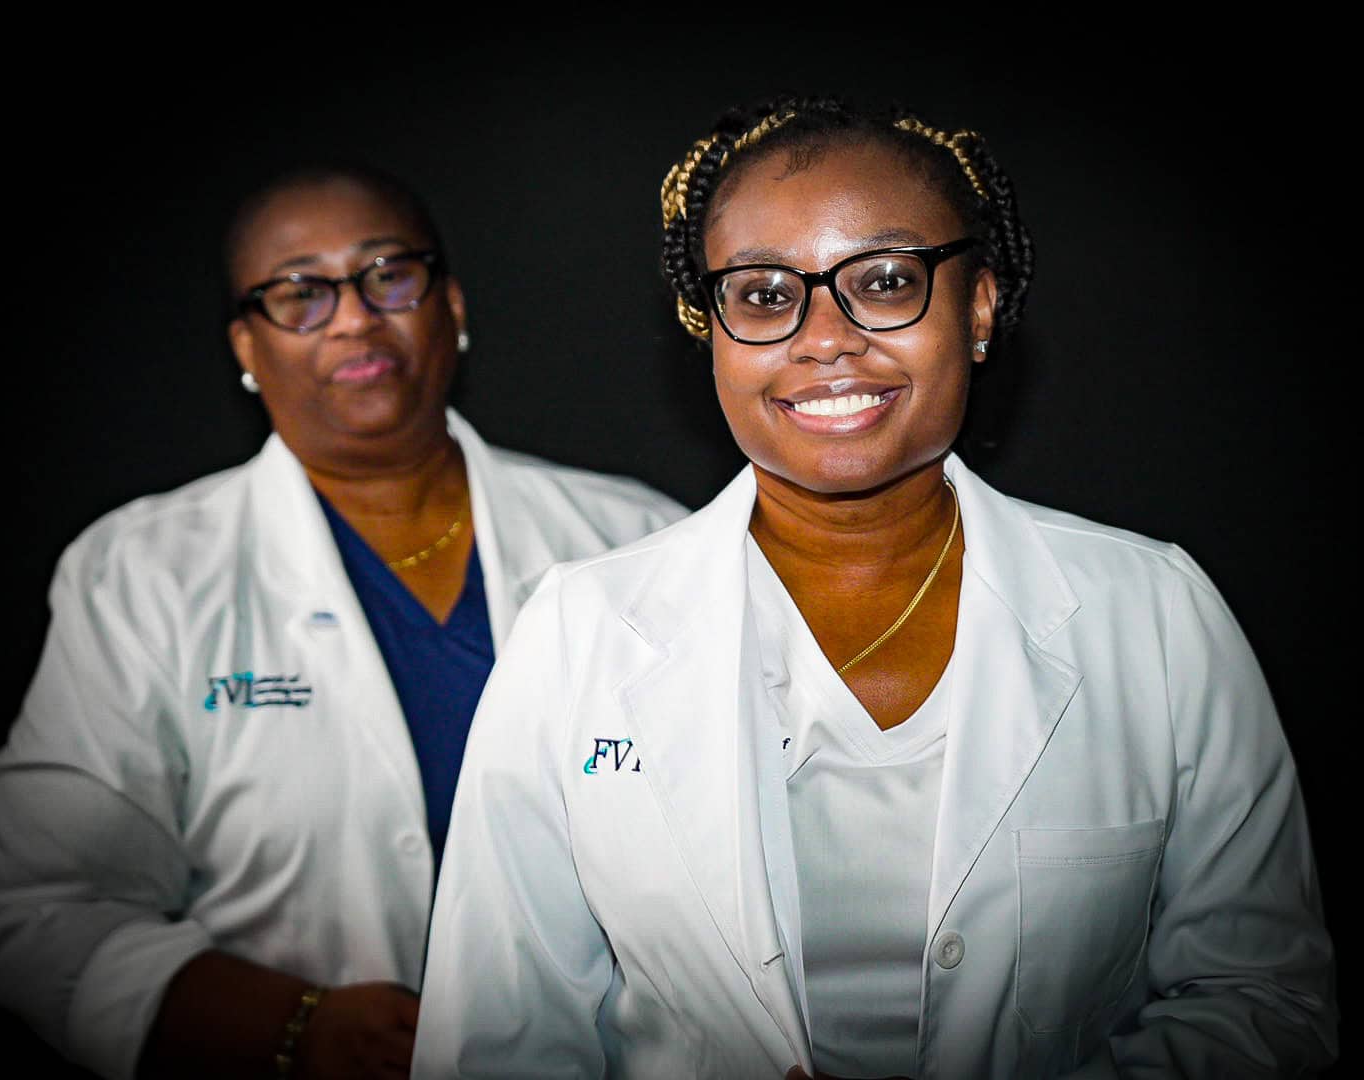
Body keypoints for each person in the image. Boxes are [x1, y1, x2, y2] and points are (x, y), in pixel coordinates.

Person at [410, 97, 1337, 1079]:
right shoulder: (578, 630)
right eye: (765, 295)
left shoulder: (1153, 614)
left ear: (977, 305)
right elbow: (496, 1040)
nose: (824, 339)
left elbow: (1265, 1001)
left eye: (885, 282)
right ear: (711, 330)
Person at [0, 163, 685, 1080]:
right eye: (299, 293)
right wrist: (298, 1026)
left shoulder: (636, 539)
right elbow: (41, 908)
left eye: (388, 274)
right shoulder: (141, 573)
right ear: (245, 344)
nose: (354, 316)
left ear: (453, 305)